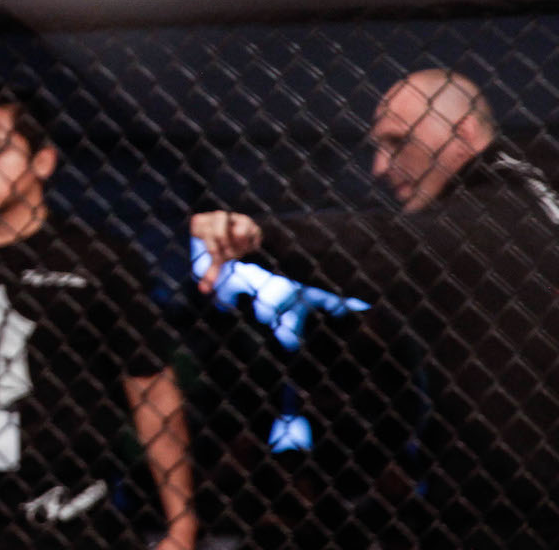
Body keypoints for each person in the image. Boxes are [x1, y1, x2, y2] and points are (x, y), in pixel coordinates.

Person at [192, 69, 559, 547]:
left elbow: (380, 245)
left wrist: (260, 234)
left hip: (514, 511)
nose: (380, 167)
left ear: (463, 132)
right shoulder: (533, 183)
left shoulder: (488, 221)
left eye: (397, 142)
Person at [0, 89, 197, 550]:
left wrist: (182, 526)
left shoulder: (97, 261)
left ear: (42, 162)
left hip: (68, 517)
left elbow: (151, 391)